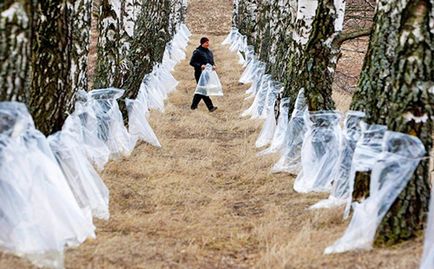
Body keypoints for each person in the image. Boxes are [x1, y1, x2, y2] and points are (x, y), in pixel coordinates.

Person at [189, 37, 218, 112]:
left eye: (208, 42)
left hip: (207, 74)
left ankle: (193, 106)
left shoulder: (209, 52)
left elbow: (211, 62)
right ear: (202, 43)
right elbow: (192, 62)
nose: (208, 44)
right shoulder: (197, 52)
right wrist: (200, 65)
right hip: (199, 73)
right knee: (203, 89)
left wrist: (213, 66)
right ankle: (210, 107)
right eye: (206, 42)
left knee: (200, 89)